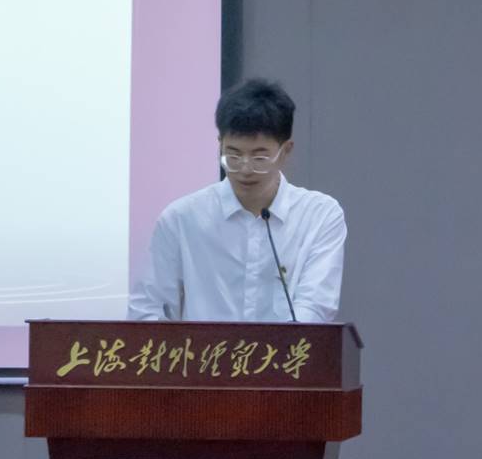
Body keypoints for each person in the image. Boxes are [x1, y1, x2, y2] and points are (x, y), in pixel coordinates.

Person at [127, 78, 346, 322]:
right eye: (233, 155)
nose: (245, 169)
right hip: (202, 349)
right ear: (219, 145)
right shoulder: (182, 219)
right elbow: (147, 309)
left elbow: (315, 308)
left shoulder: (319, 216)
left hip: (285, 348)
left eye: (259, 158)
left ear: (285, 151)